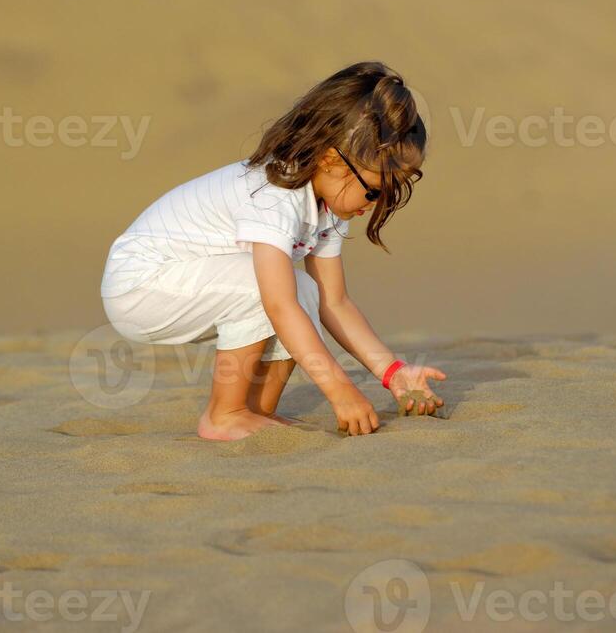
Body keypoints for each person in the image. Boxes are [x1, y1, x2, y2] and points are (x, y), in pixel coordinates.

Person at [100, 60, 446, 440]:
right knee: (270, 290)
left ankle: (253, 412)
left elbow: (336, 303)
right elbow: (277, 305)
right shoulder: (274, 194)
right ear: (332, 160)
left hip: (187, 281)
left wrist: (392, 372)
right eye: (376, 190)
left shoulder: (326, 205)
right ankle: (224, 414)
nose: (378, 204)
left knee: (306, 291)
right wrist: (340, 391)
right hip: (141, 284)